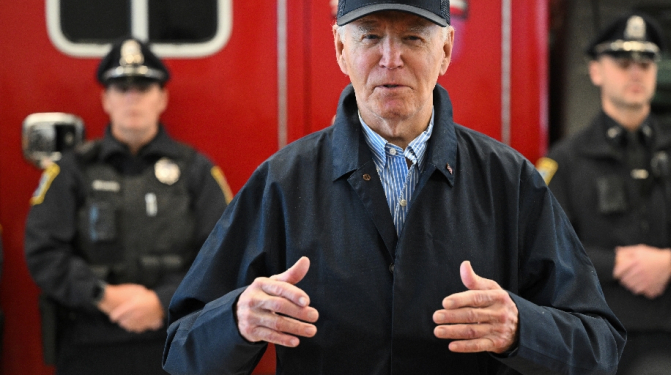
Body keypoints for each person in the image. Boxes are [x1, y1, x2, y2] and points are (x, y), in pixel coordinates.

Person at [163, 1, 625, 374]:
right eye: (369, 35)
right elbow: (182, 350)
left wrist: (521, 328)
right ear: (341, 50)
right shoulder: (283, 182)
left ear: (444, 51)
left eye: (412, 37)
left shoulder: (510, 181)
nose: (390, 58)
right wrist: (238, 320)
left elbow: (599, 347)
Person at [537, 12, 671, 375]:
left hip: (669, 334)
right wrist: (616, 263)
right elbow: (544, 253)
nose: (636, 71)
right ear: (596, 71)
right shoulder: (564, 163)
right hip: (590, 331)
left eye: (646, 62)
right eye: (623, 62)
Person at [25, 38, 232, 375]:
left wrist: (160, 302)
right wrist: (103, 295)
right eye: (121, 88)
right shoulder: (71, 172)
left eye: (144, 87)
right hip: (89, 346)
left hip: (174, 342)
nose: (132, 97)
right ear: (106, 99)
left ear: (161, 98)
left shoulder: (197, 171)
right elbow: (43, 251)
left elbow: (221, 253)